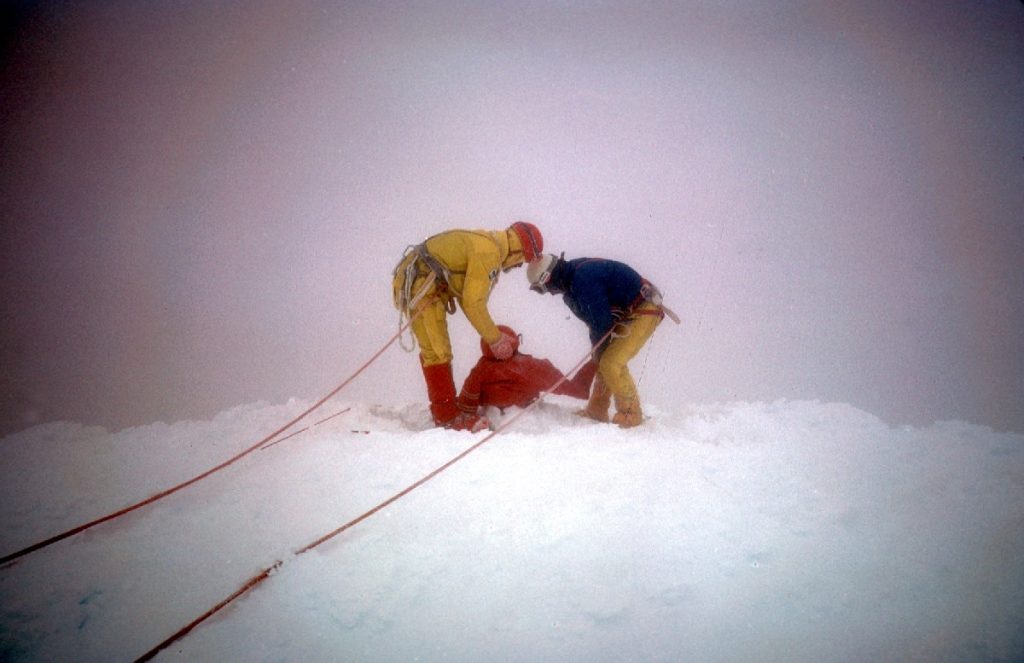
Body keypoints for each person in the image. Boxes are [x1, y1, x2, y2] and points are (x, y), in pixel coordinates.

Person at [392, 222, 544, 431]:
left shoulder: (488, 244)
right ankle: (447, 417)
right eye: (521, 262)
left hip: (416, 280)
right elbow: (473, 303)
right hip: (422, 285)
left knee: (434, 352)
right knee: (437, 352)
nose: (516, 266)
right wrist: (496, 339)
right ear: (519, 250)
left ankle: (445, 411)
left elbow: (468, 299)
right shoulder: (489, 253)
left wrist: (492, 335)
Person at [526, 253, 675, 428]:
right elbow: (593, 321)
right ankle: (597, 409)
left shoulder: (582, 278)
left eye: (542, 288)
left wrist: (598, 349)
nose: (549, 293)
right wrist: (597, 351)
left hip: (645, 309)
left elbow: (601, 322)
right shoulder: (571, 288)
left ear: (547, 277)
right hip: (627, 313)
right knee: (603, 359)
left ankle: (631, 413)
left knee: (611, 362)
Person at [456, 325, 598, 418]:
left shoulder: (481, 367)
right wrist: (590, 368)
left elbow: (468, 394)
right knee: (546, 375)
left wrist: (466, 411)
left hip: (492, 411)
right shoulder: (526, 365)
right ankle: (597, 360)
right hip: (522, 411)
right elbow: (556, 381)